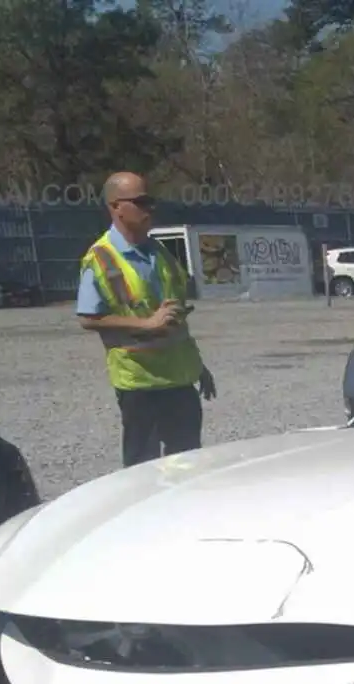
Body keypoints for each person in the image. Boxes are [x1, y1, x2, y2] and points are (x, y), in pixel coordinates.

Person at [77, 173, 217, 466]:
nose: (149, 209)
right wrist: (146, 324)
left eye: (151, 202)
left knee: (190, 465)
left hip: (180, 379)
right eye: (141, 202)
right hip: (141, 384)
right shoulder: (101, 258)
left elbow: (174, 316)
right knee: (142, 472)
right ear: (116, 207)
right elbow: (89, 317)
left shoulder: (160, 253)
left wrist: (198, 366)